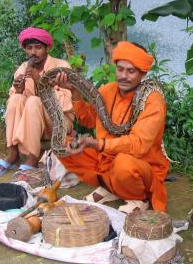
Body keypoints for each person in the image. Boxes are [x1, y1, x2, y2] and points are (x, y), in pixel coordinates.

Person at [55, 41, 170, 213]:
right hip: (105, 159)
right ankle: (110, 188)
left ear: (143, 73)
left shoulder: (153, 101)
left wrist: (96, 144)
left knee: (123, 164)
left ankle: (138, 198)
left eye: (131, 71)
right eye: (120, 69)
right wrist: (75, 92)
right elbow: (88, 120)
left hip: (139, 164)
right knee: (61, 144)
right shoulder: (108, 90)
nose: (123, 76)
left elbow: (137, 145)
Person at [0, 27, 74, 177]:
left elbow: (66, 104)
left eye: (38, 47)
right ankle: (13, 154)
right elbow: (16, 102)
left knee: (33, 101)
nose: (34, 52)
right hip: (32, 124)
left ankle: (32, 158)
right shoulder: (22, 69)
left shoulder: (61, 67)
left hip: (58, 122)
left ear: (47, 48)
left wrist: (40, 82)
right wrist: (18, 90)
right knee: (15, 99)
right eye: (29, 48)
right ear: (25, 50)